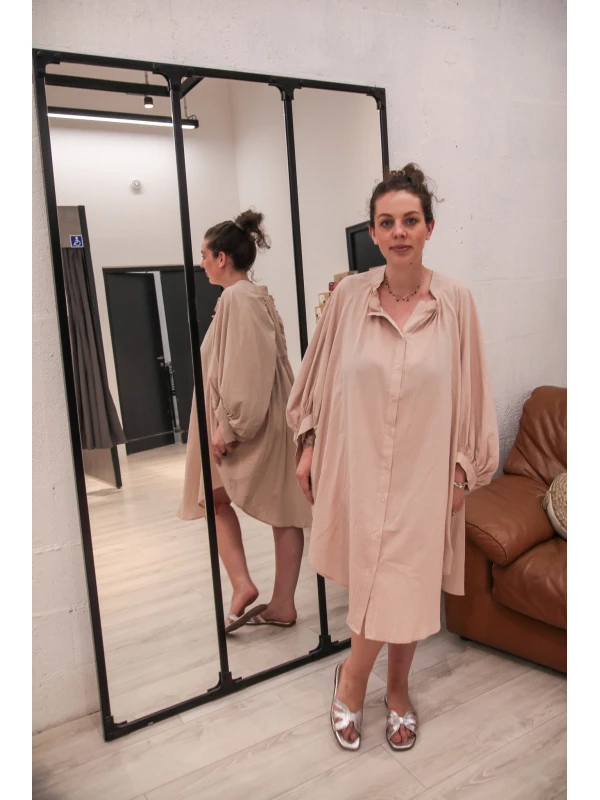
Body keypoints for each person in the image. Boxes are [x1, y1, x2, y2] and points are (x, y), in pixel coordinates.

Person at [287, 164, 499, 751]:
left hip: (426, 473)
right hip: (359, 465)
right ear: (374, 233)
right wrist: (308, 443)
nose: (399, 231)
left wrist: (463, 469)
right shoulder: (349, 298)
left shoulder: (456, 302)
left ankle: (380, 686)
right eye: (387, 222)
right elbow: (318, 376)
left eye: (410, 220)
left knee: (409, 583)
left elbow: (473, 390)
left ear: (429, 227)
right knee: (379, 580)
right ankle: (365, 682)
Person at [180, 210, 312, 633]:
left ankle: (249, 588)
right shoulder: (249, 297)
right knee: (279, 507)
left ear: (222, 258)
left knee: (227, 499)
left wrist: (232, 425)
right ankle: (277, 601)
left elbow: (246, 366)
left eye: (204, 255)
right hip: (262, 414)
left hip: (252, 418)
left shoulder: (238, 298)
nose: (201, 263)